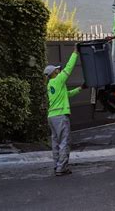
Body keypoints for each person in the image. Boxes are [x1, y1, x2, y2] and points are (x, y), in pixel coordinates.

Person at [44, 44, 84, 176]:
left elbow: (68, 94)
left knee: (56, 142)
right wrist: (75, 53)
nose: (59, 71)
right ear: (53, 73)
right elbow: (69, 68)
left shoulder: (51, 84)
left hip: (52, 116)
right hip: (60, 116)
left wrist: (80, 88)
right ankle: (62, 168)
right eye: (57, 70)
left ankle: (57, 166)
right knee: (64, 142)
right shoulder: (58, 80)